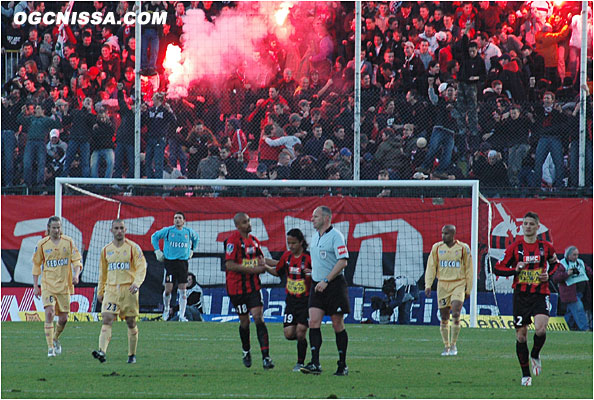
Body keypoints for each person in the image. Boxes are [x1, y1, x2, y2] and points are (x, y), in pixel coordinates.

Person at [494, 212, 560, 387]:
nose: (528, 226)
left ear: (538, 227)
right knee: (521, 337)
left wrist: (549, 275)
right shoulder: (515, 248)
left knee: (540, 329)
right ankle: (525, 375)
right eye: (525, 223)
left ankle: (535, 354)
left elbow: (555, 264)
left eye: (531, 224)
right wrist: (515, 270)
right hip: (521, 296)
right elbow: (498, 268)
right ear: (522, 227)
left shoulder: (546, 247)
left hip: (540, 293)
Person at [301, 206, 349, 376]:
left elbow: (343, 262)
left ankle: (342, 364)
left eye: (316, 216)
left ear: (326, 218)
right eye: (312, 216)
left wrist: (326, 280)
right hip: (317, 285)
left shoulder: (337, 237)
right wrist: (314, 273)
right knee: (313, 322)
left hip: (334, 286)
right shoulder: (315, 237)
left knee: (337, 324)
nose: (312, 219)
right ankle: (315, 363)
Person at [93, 219, 147, 364]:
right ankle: (102, 351)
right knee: (107, 318)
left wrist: (137, 283)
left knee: (130, 322)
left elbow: (142, 267)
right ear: (111, 231)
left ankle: (131, 354)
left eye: (121, 228)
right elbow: (103, 273)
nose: (119, 231)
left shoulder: (133, 248)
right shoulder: (106, 250)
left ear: (125, 230)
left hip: (128, 290)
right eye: (116, 228)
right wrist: (101, 290)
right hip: (111, 290)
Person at [224, 213, 274, 369]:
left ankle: (266, 357)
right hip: (237, 289)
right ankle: (246, 350)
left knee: (259, 318)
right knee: (244, 322)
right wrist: (253, 270)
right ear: (238, 226)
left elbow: (263, 261)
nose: (248, 224)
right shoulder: (232, 241)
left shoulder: (254, 241)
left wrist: (286, 262)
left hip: (253, 288)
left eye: (249, 221)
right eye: (245, 222)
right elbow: (229, 265)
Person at [32, 216, 82, 357]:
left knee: (63, 319)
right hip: (48, 284)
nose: (56, 230)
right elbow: (36, 265)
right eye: (54, 227)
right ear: (48, 228)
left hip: (64, 286)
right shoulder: (42, 244)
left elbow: (76, 260)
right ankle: (50, 349)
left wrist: (76, 274)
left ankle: (55, 338)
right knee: (49, 313)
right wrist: (36, 286)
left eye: (58, 227)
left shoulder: (68, 242)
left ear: (61, 228)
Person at [265, 229, 312, 372]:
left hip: (306, 301)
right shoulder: (286, 257)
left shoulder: (309, 258)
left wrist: (312, 275)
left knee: (301, 330)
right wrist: (265, 266)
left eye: (293, 243)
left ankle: (300, 362)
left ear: (301, 242)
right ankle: (302, 343)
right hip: (291, 301)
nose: (290, 246)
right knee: (289, 334)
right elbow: (277, 271)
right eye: (288, 243)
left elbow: (319, 274)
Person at [424, 225, 472, 357]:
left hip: (459, 283)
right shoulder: (437, 248)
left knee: (456, 313)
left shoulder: (463, 248)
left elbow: (469, 269)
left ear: (453, 235)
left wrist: (469, 288)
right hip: (443, 285)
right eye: (442, 233)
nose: (443, 236)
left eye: (446, 234)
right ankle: (446, 346)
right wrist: (428, 284)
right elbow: (431, 267)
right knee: (444, 317)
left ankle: (454, 344)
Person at [151, 212, 199, 322]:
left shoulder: (188, 232)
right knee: (168, 290)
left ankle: (181, 315)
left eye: (179, 218)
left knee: (183, 290)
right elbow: (154, 237)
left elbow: (196, 239)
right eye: (175, 218)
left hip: (182, 263)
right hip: (170, 263)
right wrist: (157, 250)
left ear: (184, 221)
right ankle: (166, 310)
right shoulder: (168, 231)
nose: (177, 220)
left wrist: (192, 249)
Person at [553, 246, 592, 331]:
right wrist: (567, 273)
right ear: (568, 255)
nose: (576, 257)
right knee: (579, 309)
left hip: (581, 292)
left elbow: (589, 272)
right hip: (570, 294)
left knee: (570, 313)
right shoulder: (562, 264)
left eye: (577, 255)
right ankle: (585, 329)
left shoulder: (580, 262)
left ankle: (565, 327)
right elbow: (555, 278)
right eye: (574, 255)